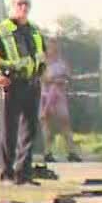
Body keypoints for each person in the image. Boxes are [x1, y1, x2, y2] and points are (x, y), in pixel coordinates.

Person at [0, 0, 46, 184]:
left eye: (26, 4)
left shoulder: (34, 30)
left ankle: (23, 173)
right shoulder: (3, 29)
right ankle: (6, 173)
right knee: (9, 130)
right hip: (11, 84)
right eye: (19, 4)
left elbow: (41, 55)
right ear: (12, 6)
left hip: (31, 83)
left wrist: (41, 74)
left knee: (30, 129)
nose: (23, 7)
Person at [40, 37, 81, 165]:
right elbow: (42, 78)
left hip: (60, 96)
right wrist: (54, 80)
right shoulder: (43, 62)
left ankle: (71, 152)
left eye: (55, 46)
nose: (53, 49)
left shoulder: (62, 62)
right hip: (46, 96)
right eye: (51, 46)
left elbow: (68, 76)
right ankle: (47, 152)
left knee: (65, 124)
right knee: (47, 125)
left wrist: (64, 80)